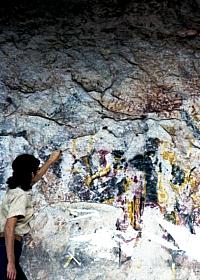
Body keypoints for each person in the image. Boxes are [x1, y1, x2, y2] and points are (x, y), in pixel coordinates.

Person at [0, 150, 61, 280]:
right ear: (29, 173)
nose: (37, 172)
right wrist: (10, 263)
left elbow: (34, 179)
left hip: (5, 248)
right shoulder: (20, 196)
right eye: (35, 170)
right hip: (6, 249)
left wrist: (50, 161)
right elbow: (9, 228)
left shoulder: (15, 188)